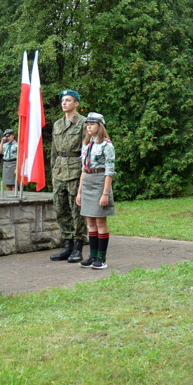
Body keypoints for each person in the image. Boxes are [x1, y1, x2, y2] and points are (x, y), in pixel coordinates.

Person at [49, 90, 88, 262]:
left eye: (68, 100)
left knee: (76, 210)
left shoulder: (83, 123)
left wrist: (84, 174)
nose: (64, 103)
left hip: (75, 170)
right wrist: (53, 172)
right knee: (60, 209)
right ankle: (67, 245)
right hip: (60, 170)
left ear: (76, 103)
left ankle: (78, 246)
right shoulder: (58, 124)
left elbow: (86, 150)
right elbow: (54, 150)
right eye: (63, 100)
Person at [76, 112, 116, 269]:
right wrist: (79, 192)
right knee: (90, 222)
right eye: (87, 124)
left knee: (100, 221)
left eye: (92, 124)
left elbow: (109, 171)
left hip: (100, 182)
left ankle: (101, 258)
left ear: (100, 126)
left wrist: (105, 193)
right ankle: (92, 257)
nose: (89, 127)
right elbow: (83, 169)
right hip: (87, 182)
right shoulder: (86, 144)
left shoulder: (107, 145)